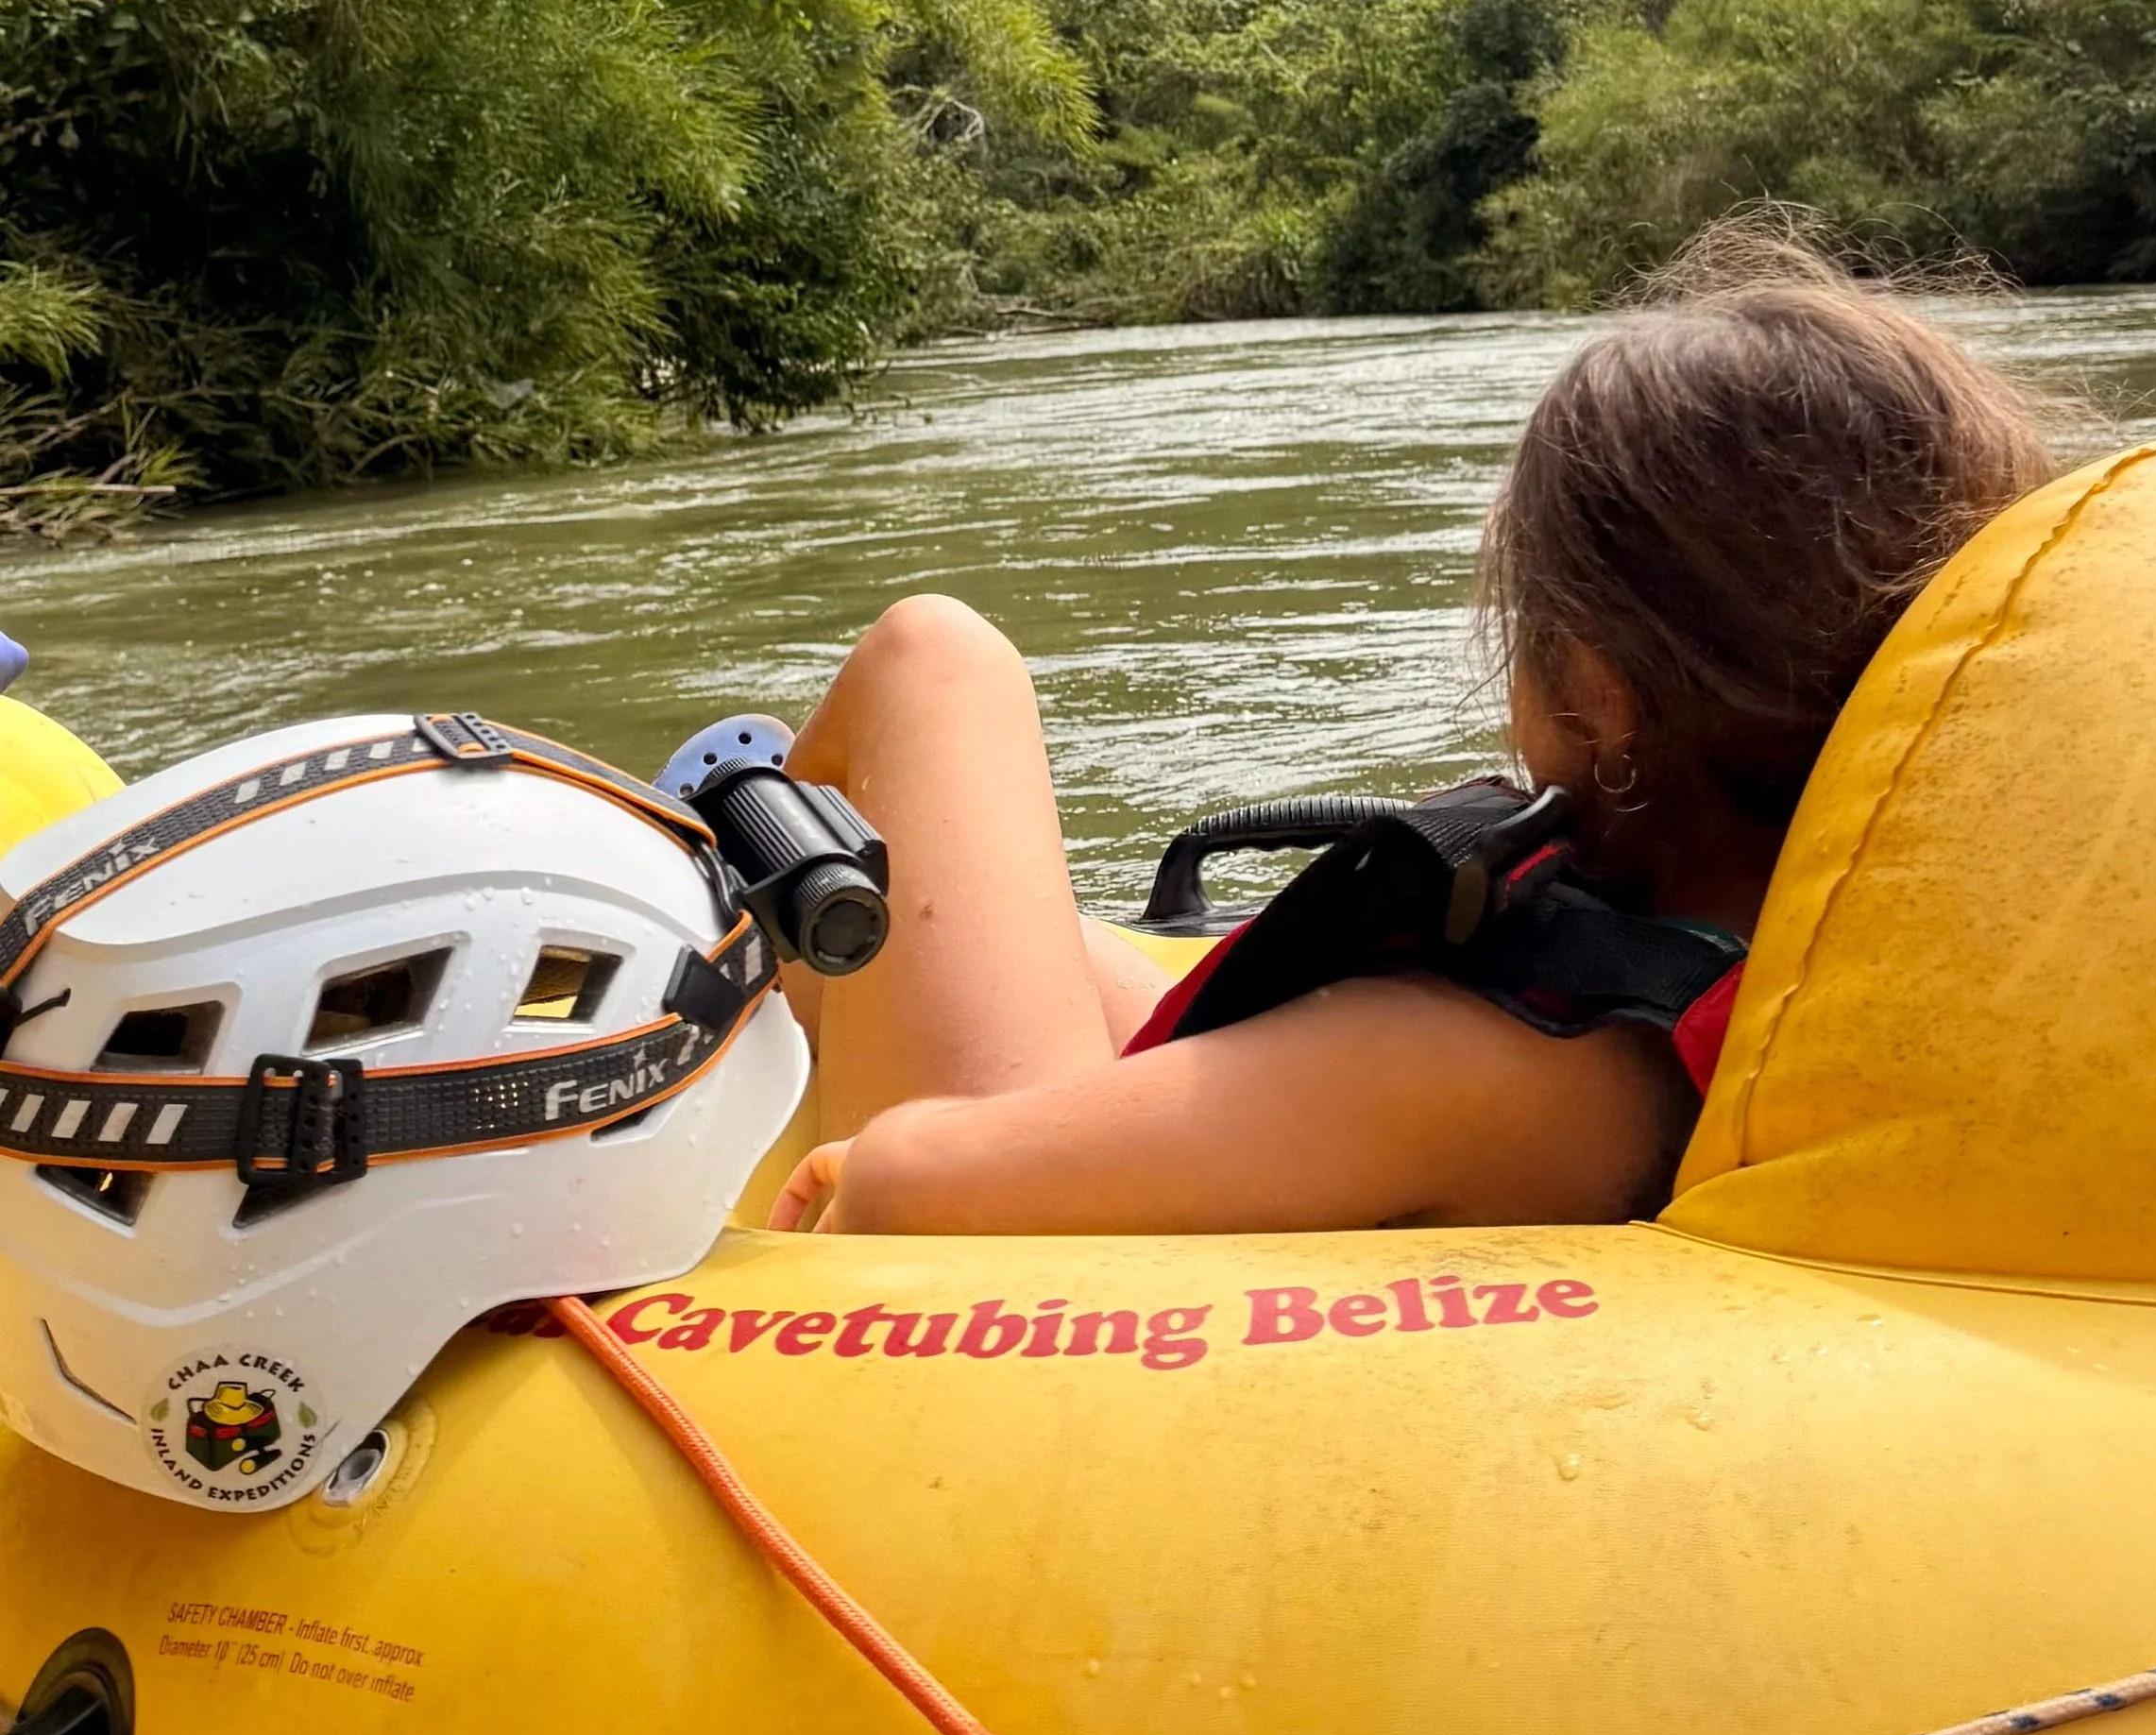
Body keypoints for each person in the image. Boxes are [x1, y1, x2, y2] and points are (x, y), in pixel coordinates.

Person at [770, 234, 2060, 1242]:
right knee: (982, 920)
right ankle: (772, 920)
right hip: (1310, 1118)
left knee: (935, 661)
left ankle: (732, 872)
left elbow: (911, 1191)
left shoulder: (1476, 1064)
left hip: (981, 1211)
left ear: (1602, 696)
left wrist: (867, 1157)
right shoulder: (1795, 966)